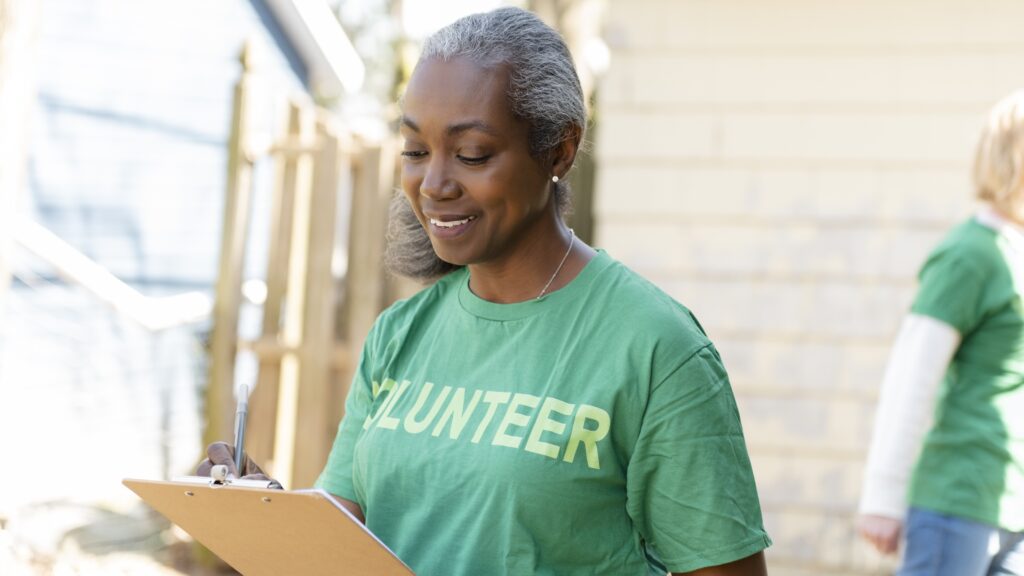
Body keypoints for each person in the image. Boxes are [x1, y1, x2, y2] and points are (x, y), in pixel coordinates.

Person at [202, 7, 771, 575]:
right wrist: (268, 510)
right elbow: (348, 541)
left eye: (471, 153)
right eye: (416, 151)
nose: (434, 184)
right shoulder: (400, 334)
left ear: (560, 151)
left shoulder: (655, 349)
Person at [857, 91, 1024, 575]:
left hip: (1014, 501)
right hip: (960, 499)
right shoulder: (970, 255)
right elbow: (912, 376)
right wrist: (883, 497)